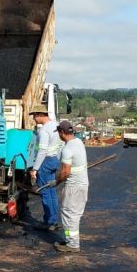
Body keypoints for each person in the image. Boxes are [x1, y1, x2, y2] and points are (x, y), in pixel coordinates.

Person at [53, 120, 89, 253]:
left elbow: (66, 171)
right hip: (82, 184)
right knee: (73, 215)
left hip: (74, 187)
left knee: (69, 215)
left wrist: (56, 182)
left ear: (62, 132)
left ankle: (73, 245)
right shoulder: (78, 142)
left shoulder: (67, 149)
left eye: (58, 132)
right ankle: (69, 240)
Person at [29, 104, 62, 231]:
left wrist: (35, 169)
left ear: (40, 115)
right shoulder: (56, 126)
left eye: (34, 116)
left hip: (45, 162)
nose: (34, 119)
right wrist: (57, 159)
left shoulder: (44, 131)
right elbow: (60, 145)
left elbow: (42, 150)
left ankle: (49, 222)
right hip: (53, 160)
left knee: (45, 192)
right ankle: (53, 219)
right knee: (51, 191)